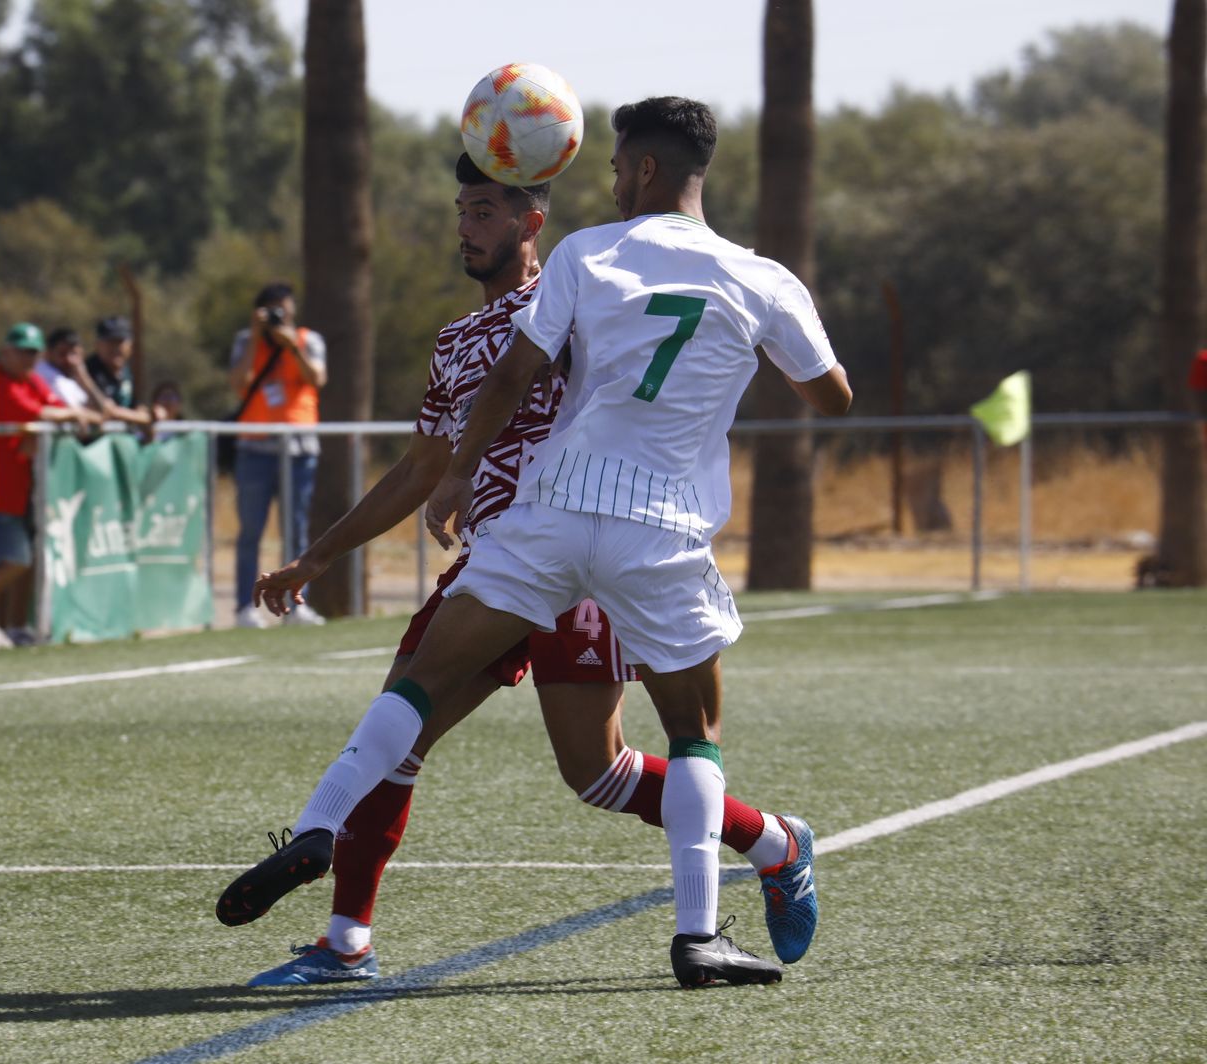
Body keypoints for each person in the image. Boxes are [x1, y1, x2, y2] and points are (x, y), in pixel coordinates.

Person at [218, 97, 853, 989]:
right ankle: (345, 933)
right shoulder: (467, 338)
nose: (468, 229)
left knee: (596, 772)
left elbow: (535, 378)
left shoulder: (580, 274)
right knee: (413, 725)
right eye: (463, 213)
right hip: (528, 542)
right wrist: (322, 555)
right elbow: (422, 465)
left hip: (579, 542)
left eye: (486, 212)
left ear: (533, 221)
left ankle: (773, 842)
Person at [0, 322, 103, 644]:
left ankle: (3, 628)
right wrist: (73, 415)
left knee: (17, 562)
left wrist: (77, 414)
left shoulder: (31, 380)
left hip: (19, 489)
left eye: (33, 353)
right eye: (22, 352)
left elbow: (55, 408)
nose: (28, 359)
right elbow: (40, 413)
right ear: (6, 351)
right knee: (16, 561)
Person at [228, 282, 327, 628]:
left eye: (282, 310)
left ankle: (296, 607)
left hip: (298, 449)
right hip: (255, 448)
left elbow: (317, 378)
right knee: (250, 532)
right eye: (270, 311)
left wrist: (290, 347)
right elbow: (239, 382)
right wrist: (257, 336)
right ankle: (243, 608)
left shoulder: (307, 340)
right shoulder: (246, 341)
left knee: (296, 531)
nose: (276, 317)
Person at [82, 315, 153, 435]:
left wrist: (143, 414)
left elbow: (136, 406)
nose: (115, 348)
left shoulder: (127, 372)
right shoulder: (90, 370)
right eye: (110, 342)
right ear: (98, 344)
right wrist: (142, 418)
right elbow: (107, 410)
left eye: (119, 342)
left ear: (130, 345)